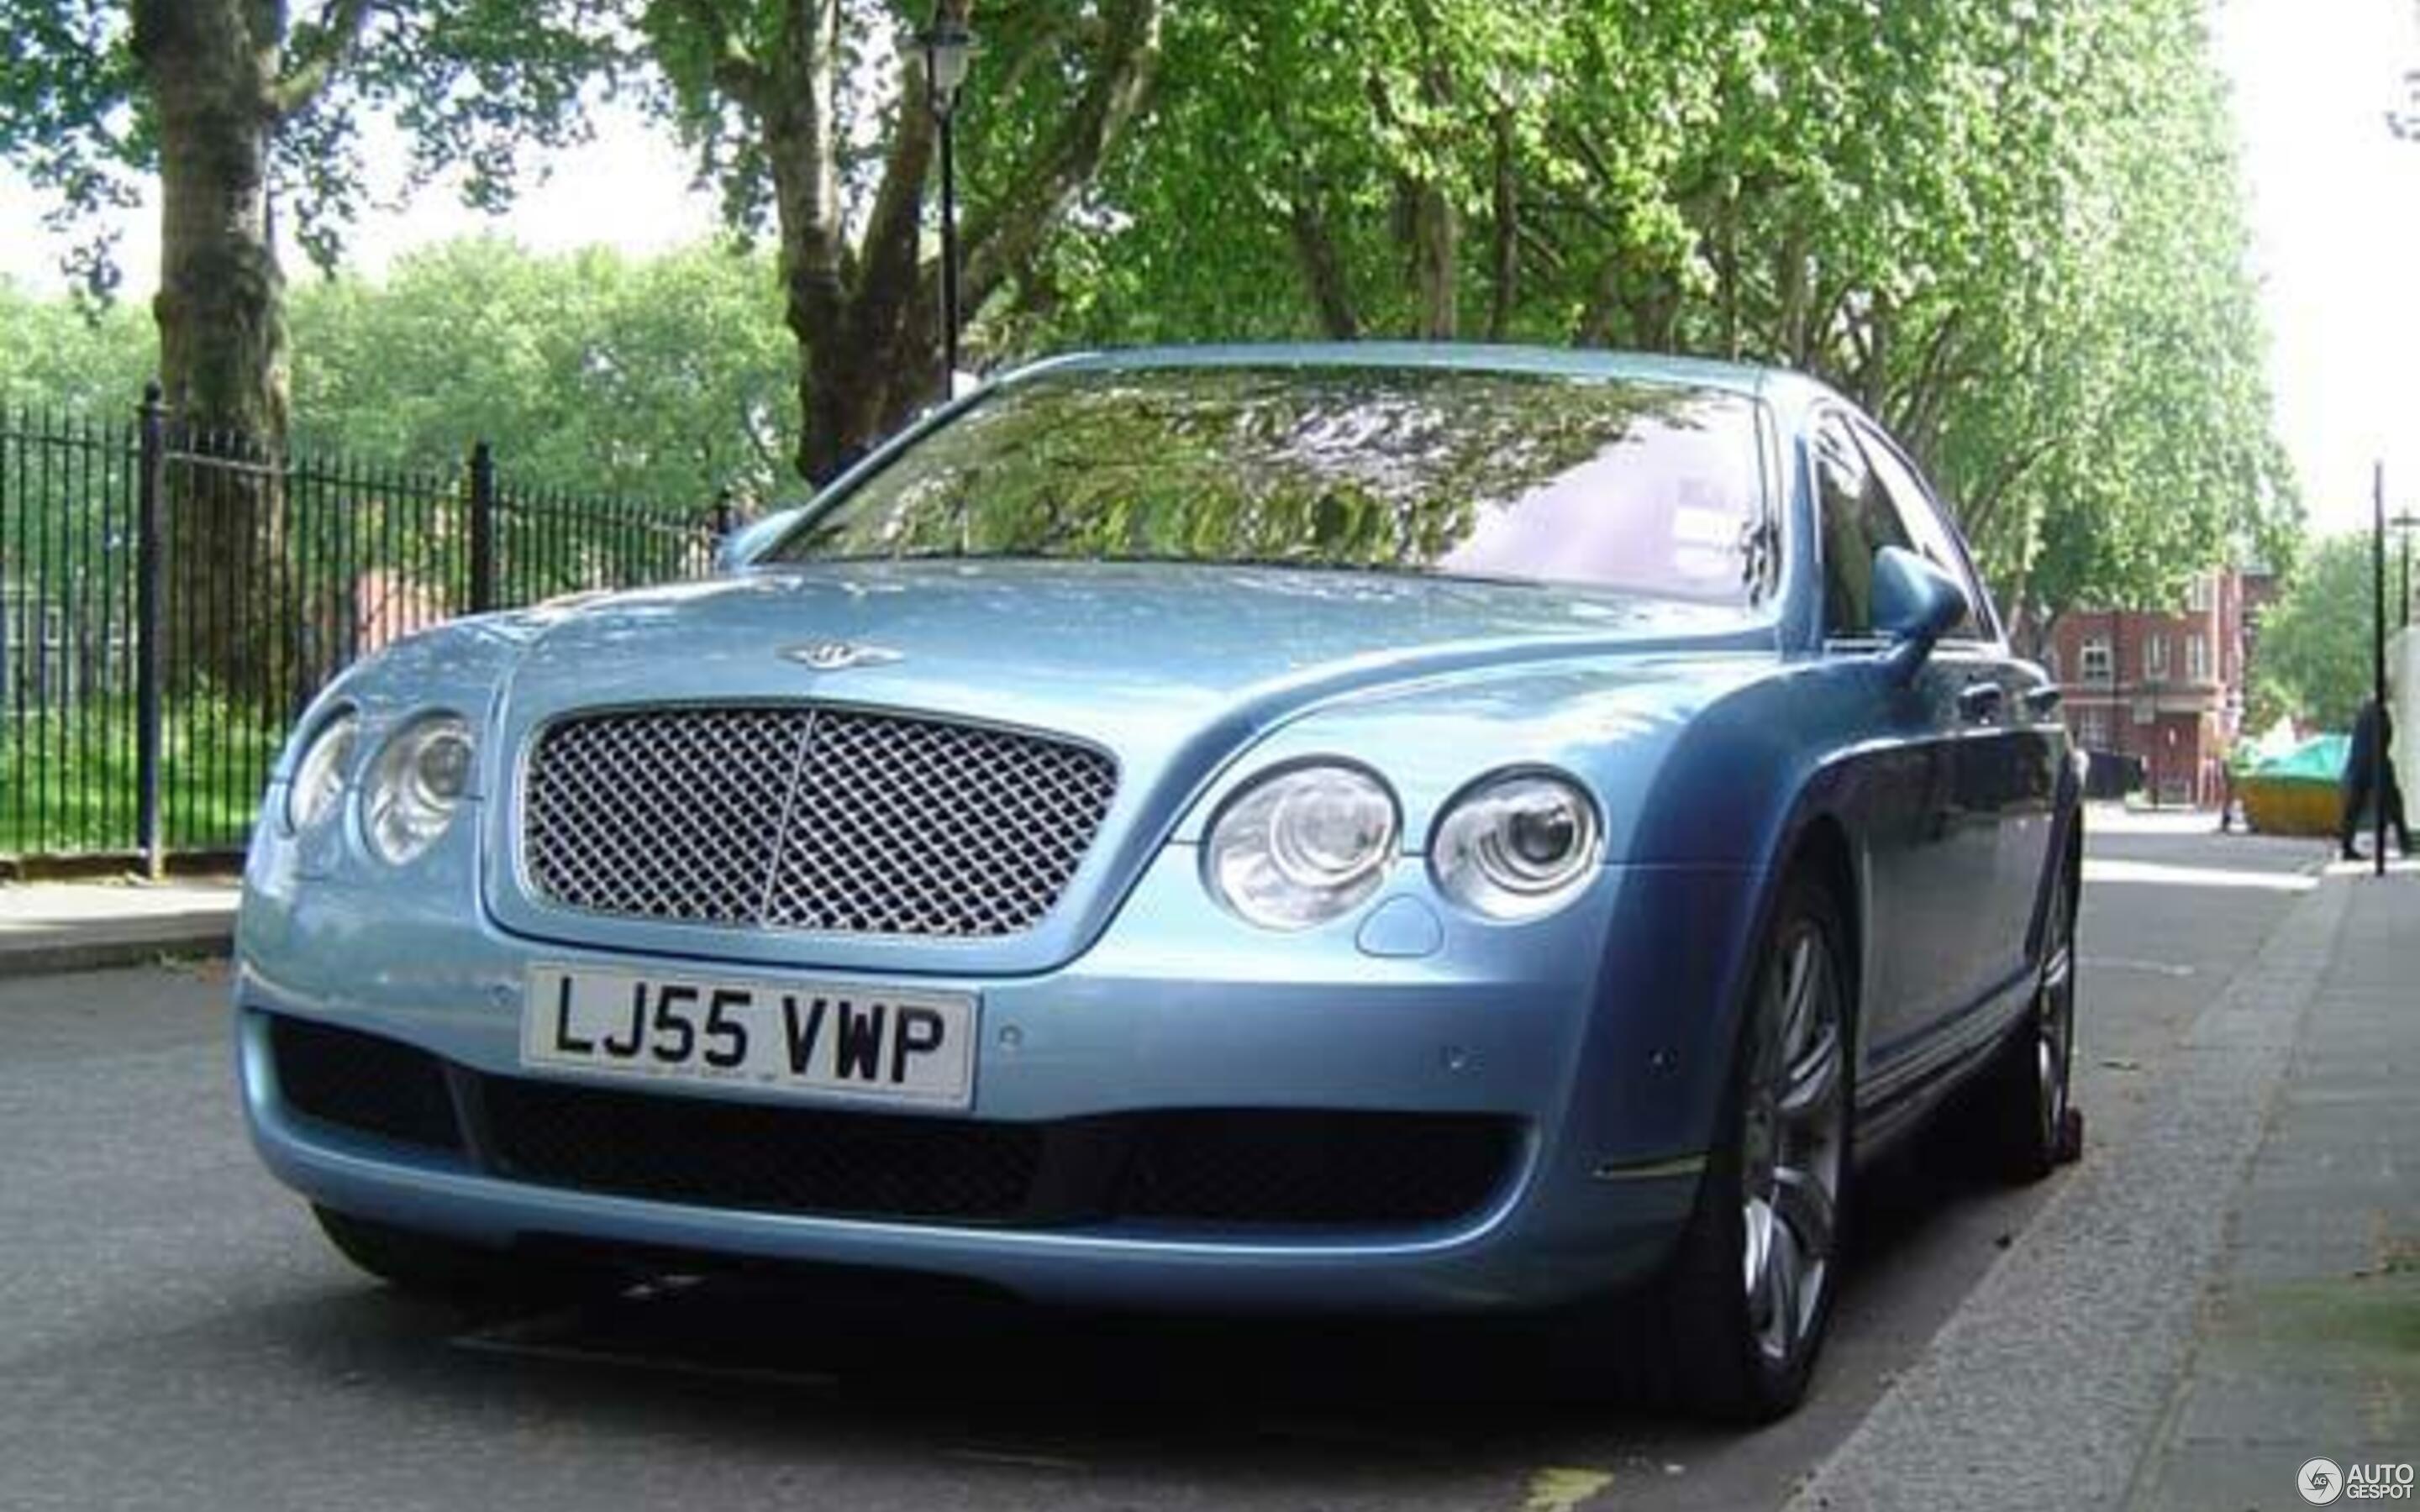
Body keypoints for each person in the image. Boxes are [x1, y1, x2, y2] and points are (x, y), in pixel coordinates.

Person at [2338, 696, 2413, 860]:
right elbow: (2386, 737)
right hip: (2377, 763)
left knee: (2353, 807)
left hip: (2358, 763)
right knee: (2394, 804)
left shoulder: (2363, 711)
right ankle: (2405, 844)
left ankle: (2346, 847)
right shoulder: (2380, 712)